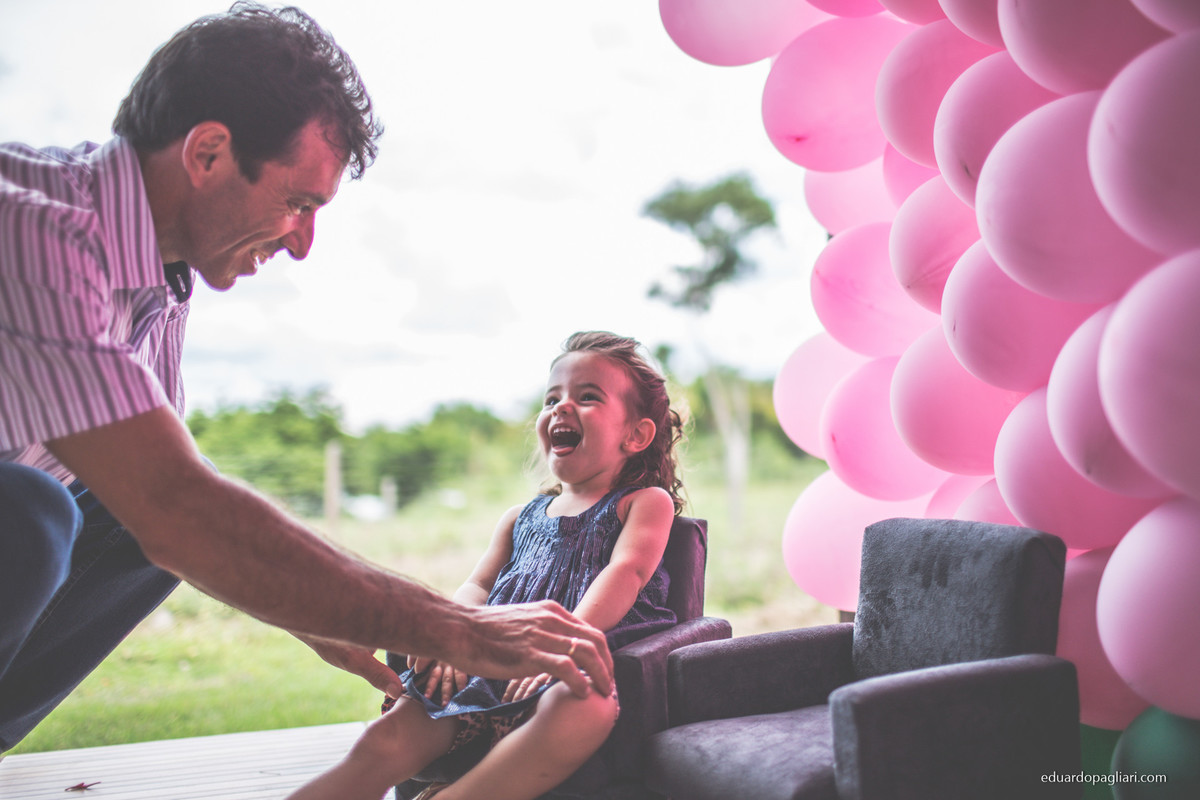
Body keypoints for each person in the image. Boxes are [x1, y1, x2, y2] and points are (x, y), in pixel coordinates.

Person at [0, 2, 611, 754]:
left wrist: (321, 613)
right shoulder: (34, 231)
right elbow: (177, 505)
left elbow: (169, 499)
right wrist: (463, 630)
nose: (302, 245)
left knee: (123, 514)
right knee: (28, 511)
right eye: (297, 203)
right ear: (207, 154)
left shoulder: (158, 277)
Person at [287, 331, 688, 800]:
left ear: (636, 434)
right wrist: (453, 633)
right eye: (552, 398)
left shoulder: (643, 503)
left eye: (587, 397)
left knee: (586, 706)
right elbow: (478, 585)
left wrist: (565, 642)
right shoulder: (519, 517)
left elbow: (627, 572)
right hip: (494, 654)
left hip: (569, 663)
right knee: (391, 735)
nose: (561, 406)